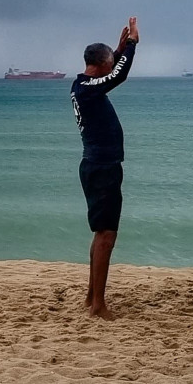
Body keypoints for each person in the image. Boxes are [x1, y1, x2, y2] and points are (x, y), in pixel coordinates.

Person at [72, 16, 139, 319]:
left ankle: (91, 296)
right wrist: (133, 45)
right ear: (100, 64)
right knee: (106, 236)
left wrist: (118, 49)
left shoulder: (85, 84)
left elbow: (108, 72)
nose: (114, 64)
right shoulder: (87, 88)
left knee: (101, 234)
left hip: (99, 165)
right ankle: (98, 305)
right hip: (101, 167)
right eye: (110, 60)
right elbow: (117, 75)